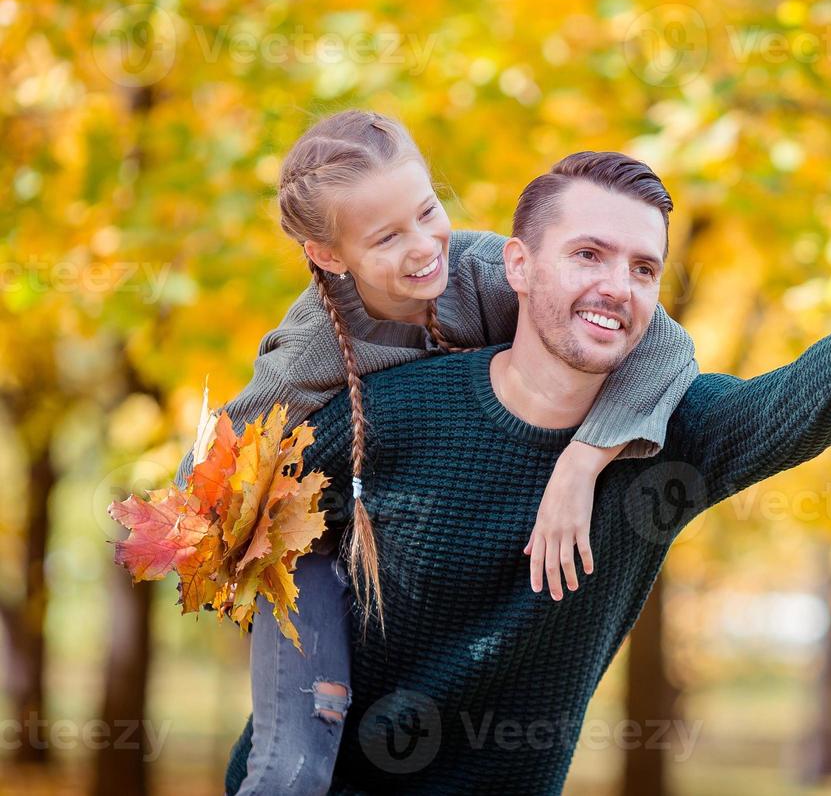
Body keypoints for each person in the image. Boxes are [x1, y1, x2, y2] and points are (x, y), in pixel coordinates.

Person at [221, 149, 831, 794]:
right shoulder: (387, 411)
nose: (617, 287)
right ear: (516, 265)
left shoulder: (669, 441)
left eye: (644, 268)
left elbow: (782, 408)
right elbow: (240, 510)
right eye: (588, 254)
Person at [176, 111, 698, 795]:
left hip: (406, 544)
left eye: (427, 211)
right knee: (295, 761)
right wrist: (233, 555)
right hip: (312, 554)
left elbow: (665, 344)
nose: (425, 246)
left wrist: (581, 461)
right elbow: (207, 481)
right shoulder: (309, 352)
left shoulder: (482, 272)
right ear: (328, 255)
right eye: (389, 236)